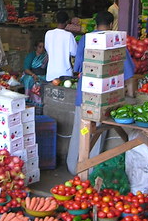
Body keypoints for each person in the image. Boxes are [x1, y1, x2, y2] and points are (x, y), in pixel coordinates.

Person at [66, 11, 136, 174]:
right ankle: (89, 171)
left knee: (80, 130)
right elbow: (129, 71)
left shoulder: (85, 38)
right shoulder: (114, 42)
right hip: (102, 98)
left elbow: (77, 67)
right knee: (95, 133)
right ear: (111, 24)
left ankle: (72, 167)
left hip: (83, 95)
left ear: (96, 23)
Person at [43, 9, 77, 82]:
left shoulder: (48, 34)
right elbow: (75, 52)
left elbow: (47, 49)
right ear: (67, 22)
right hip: (65, 73)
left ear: (56, 20)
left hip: (51, 73)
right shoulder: (69, 35)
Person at [21, 40, 48, 105]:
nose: (42, 49)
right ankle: (29, 100)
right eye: (40, 47)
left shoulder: (46, 56)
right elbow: (26, 69)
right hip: (31, 75)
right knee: (30, 80)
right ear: (36, 47)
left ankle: (40, 103)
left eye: (43, 47)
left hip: (42, 76)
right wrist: (33, 75)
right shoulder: (31, 55)